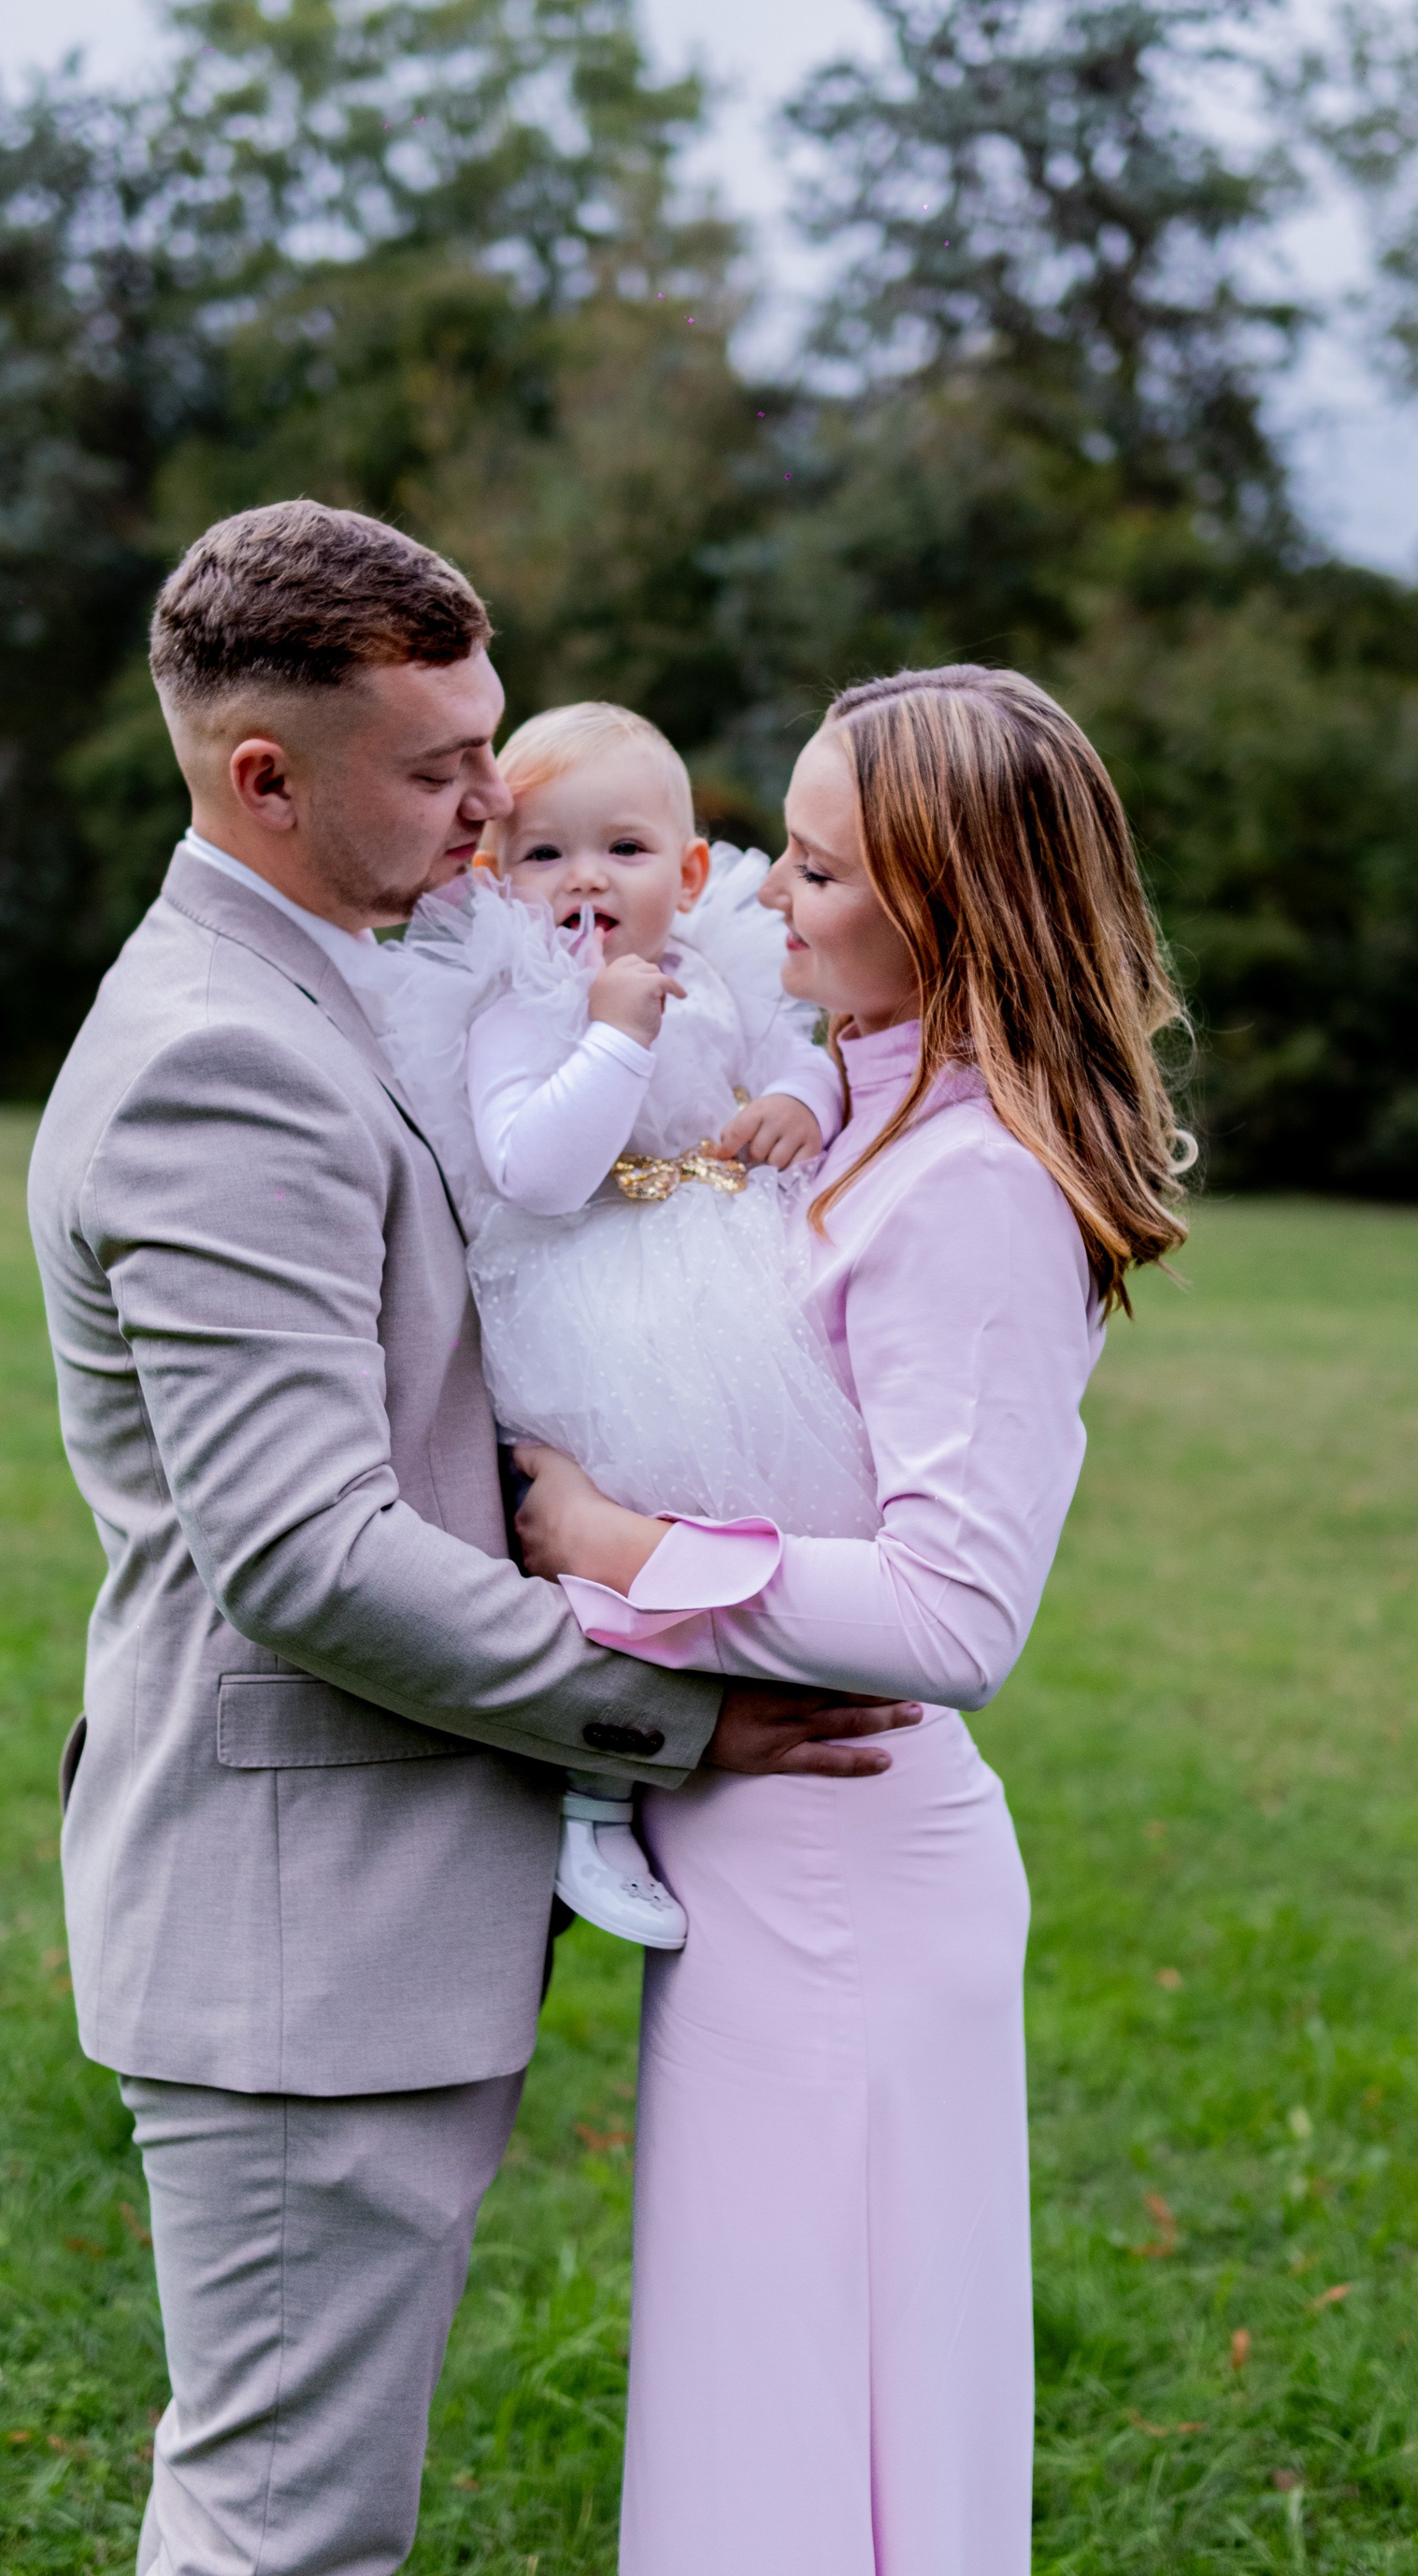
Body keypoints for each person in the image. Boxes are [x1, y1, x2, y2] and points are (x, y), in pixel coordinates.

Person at [25, 498, 916, 2576]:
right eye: (440, 772)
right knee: (285, 2529)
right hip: (297, 1931)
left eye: (487, 751)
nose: (489, 808)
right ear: (265, 779)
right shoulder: (223, 1063)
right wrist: (678, 1717)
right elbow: (307, 1556)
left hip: (368, 1902)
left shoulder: (353, 985)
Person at [514, 663, 1193, 2576]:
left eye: (812, 871)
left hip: (845, 1903)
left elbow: (955, 1613)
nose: (761, 894)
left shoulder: (974, 1186)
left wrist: (615, 1542)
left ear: (952, 911)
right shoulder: (850, 1109)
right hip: (766, 1871)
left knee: (819, 2451)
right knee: (765, 2417)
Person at [382, 699, 877, 1950]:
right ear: (497, 875)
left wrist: (803, 1101)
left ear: (691, 872)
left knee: (754, 1500)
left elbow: (806, 1053)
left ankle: (763, 1727)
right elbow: (534, 1170)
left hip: (727, 1285)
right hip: (591, 1299)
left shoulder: (726, 966)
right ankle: (593, 1802)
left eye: (626, 849)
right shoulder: (523, 1003)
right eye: (546, 853)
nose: (586, 879)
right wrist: (610, 1034)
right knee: (600, 1548)